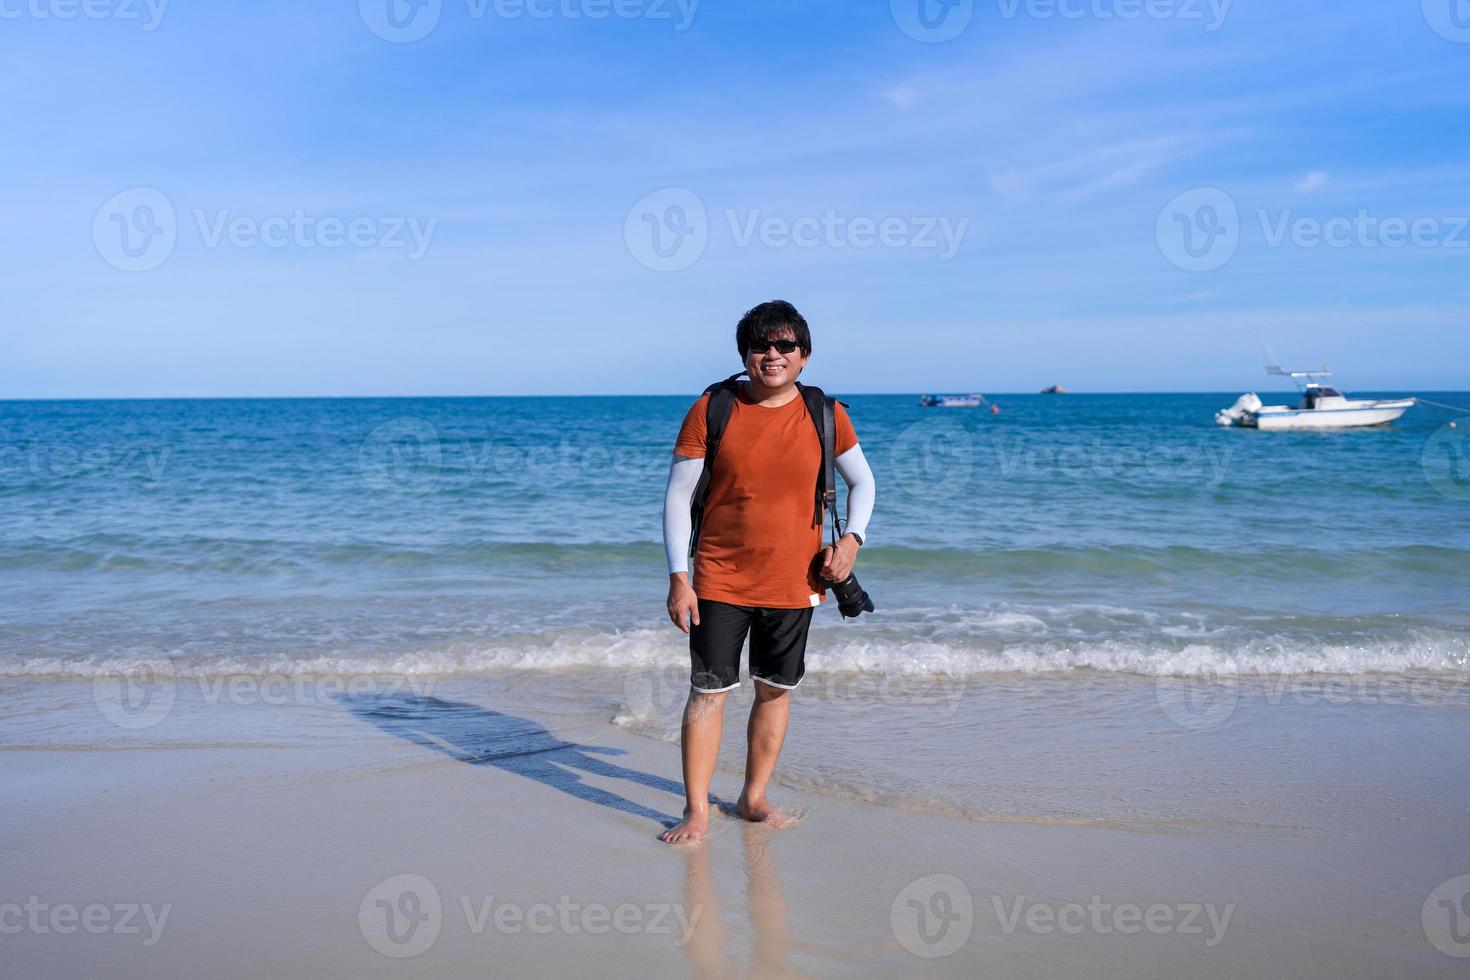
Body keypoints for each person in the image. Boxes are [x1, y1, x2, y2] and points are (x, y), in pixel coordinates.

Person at [659, 300, 876, 844]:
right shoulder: (713, 408)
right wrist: (678, 577)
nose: (773, 355)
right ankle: (697, 812)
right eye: (762, 346)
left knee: (775, 690)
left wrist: (852, 540)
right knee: (708, 692)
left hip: (794, 582)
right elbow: (678, 497)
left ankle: (752, 798)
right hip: (717, 579)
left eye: (785, 346)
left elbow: (864, 484)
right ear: (745, 355)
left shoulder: (826, 413)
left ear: (804, 357)